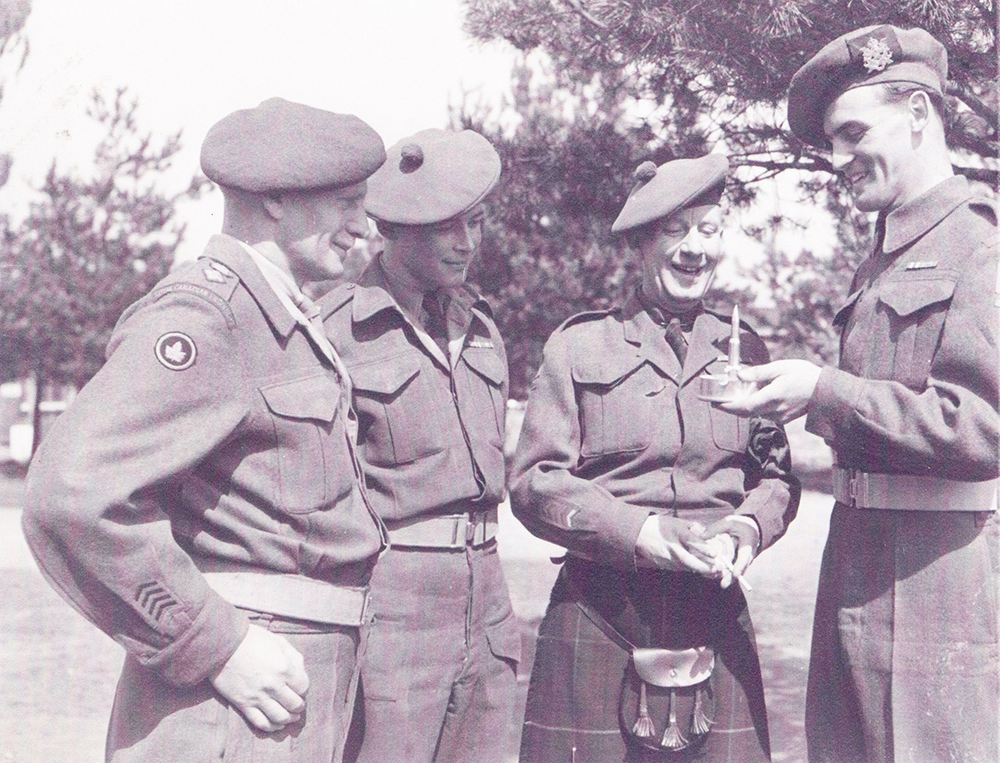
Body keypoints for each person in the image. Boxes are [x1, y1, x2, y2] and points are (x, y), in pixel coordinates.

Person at [21, 97, 389, 763]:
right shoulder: (207, 317)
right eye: (347, 202)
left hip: (295, 683)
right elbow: (70, 495)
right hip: (237, 697)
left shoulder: (283, 318)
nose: (363, 225)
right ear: (276, 200)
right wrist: (215, 644)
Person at [719, 24, 1000, 763]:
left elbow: (983, 426)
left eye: (852, 133)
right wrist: (808, 391)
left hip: (941, 582)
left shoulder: (980, 246)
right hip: (858, 564)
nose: (838, 161)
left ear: (917, 111)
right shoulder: (882, 257)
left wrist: (823, 391)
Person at [510, 153, 801, 762]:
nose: (693, 248)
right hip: (600, 608)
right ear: (641, 245)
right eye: (674, 231)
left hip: (715, 611)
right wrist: (638, 532)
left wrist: (746, 530)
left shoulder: (744, 350)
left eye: (708, 229)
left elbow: (775, 478)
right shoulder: (578, 344)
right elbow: (536, 483)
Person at [321, 128, 520, 763]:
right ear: (393, 230)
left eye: (477, 223)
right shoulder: (334, 333)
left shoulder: (481, 328)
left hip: (488, 589)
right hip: (394, 599)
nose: (467, 244)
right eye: (446, 228)